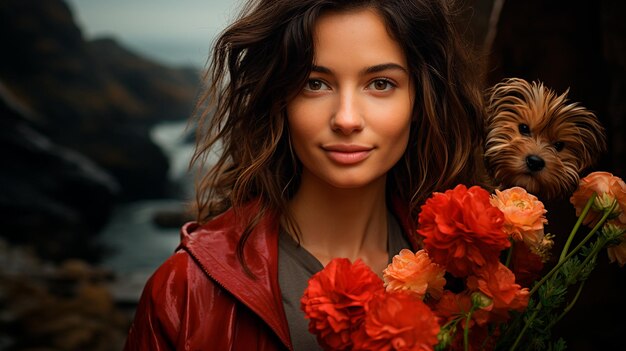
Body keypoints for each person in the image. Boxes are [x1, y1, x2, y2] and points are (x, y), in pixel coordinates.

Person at [123, 0, 487, 349]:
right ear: (279, 98)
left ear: (421, 100)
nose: (346, 119)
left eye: (380, 84)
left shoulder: (470, 279)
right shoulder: (182, 290)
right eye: (315, 83)